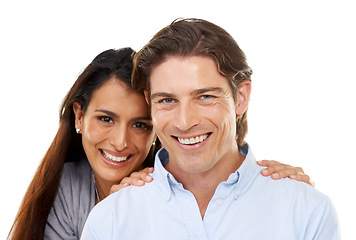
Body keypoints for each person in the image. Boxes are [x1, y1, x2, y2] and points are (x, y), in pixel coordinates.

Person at [8, 47, 313, 240]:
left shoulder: (175, 182)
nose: (120, 141)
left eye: (140, 124)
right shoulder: (65, 189)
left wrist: (280, 192)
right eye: (105, 119)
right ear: (79, 116)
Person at [80, 19, 339, 239]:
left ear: (240, 97)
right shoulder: (109, 222)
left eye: (205, 97)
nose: (184, 122)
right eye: (167, 100)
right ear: (150, 103)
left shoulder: (308, 213)